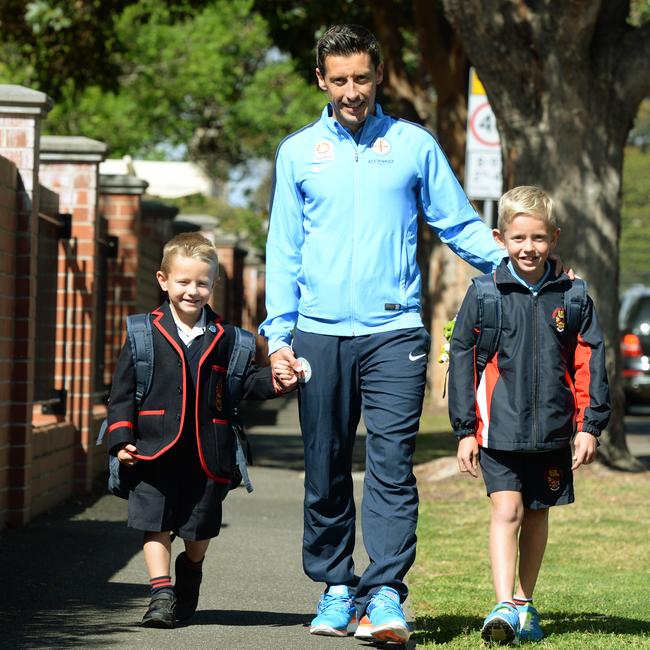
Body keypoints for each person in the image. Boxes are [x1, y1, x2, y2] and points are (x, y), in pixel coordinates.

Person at [259, 24, 508, 644]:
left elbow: (458, 223)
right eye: (339, 79)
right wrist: (278, 336)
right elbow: (283, 250)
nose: (351, 91)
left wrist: (518, 264)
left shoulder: (412, 145)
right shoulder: (296, 153)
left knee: (392, 464)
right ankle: (337, 587)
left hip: (394, 331)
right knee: (324, 462)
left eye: (362, 79)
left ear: (377, 78)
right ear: (321, 79)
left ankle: (388, 592)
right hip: (316, 333)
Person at [106, 232, 295, 628]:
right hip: (152, 448)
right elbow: (122, 392)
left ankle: (191, 570)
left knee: (198, 527)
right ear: (163, 280)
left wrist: (277, 382)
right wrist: (122, 438)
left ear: (213, 285)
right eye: (183, 282)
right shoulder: (143, 332)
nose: (192, 291)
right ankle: (160, 595)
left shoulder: (230, 339)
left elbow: (243, 386)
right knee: (153, 521)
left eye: (202, 283)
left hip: (209, 451)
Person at [448, 186, 610, 644]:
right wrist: (464, 430)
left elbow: (589, 359)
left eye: (538, 238)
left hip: (556, 432)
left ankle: (524, 602)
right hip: (499, 430)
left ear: (553, 237)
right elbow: (463, 359)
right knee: (508, 509)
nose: (529, 248)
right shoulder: (484, 294)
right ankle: (501, 605)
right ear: (500, 238)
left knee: (537, 514)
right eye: (519, 238)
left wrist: (588, 427)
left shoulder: (573, 295)